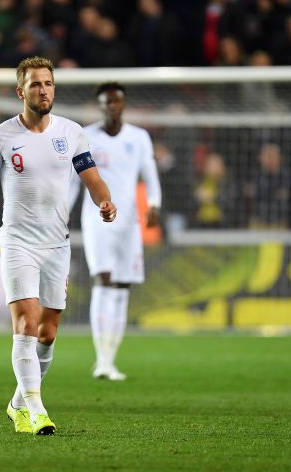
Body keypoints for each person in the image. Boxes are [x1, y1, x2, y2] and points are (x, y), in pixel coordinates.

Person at [0, 56, 116, 436]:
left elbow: (91, 177)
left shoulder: (72, 132)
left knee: (47, 333)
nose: (43, 90)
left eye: (48, 83)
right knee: (26, 324)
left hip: (56, 245)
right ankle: (37, 410)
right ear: (20, 92)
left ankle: (17, 404)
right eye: (35, 84)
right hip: (17, 243)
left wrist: (105, 201)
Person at [69, 82, 161, 380]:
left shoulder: (139, 137)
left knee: (122, 287)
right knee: (104, 280)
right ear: (100, 106)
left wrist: (155, 204)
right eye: (106, 103)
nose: (111, 107)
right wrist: (62, 213)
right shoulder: (86, 137)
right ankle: (101, 359)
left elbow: (149, 172)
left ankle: (111, 359)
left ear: (123, 104)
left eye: (116, 102)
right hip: (97, 219)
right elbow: (73, 182)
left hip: (129, 222)